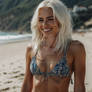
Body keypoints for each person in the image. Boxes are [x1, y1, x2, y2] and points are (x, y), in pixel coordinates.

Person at [21, 0, 86, 92]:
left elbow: (79, 86)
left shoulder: (75, 48)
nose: (44, 25)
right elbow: (27, 82)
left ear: (61, 19)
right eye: (41, 20)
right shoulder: (31, 48)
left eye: (50, 19)